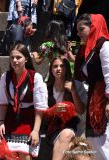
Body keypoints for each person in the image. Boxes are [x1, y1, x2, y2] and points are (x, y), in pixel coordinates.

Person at [0, 43, 48, 159]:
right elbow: (3, 103)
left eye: (18, 57)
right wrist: (1, 122)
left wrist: (35, 130)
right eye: (12, 57)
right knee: (8, 154)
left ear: (26, 59)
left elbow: (40, 108)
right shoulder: (6, 77)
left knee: (25, 154)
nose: (15, 60)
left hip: (28, 120)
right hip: (10, 119)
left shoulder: (35, 78)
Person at [74, 13, 109, 159]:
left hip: (103, 100)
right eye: (77, 31)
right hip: (94, 100)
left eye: (81, 29)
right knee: (95, 143)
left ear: (92, 27)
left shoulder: (104, 45)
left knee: (105, 142)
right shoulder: (90, 49)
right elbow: (81, 74)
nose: (78, 34)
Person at [41, 56, 84, 160]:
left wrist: (73, 92)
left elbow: (81, 111)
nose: (58, 69)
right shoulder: (45, 87)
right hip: (51, 128)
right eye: (55, 66)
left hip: (71, 126)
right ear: (51, 70)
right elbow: (41, 113)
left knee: (67, 133)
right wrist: (53, 110)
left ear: (67, 69)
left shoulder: (76, 85)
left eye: (62, 66)